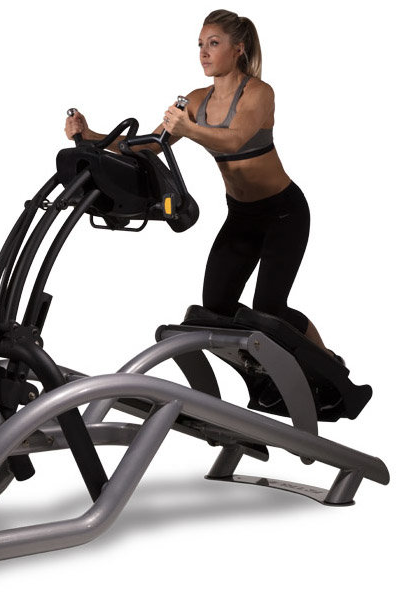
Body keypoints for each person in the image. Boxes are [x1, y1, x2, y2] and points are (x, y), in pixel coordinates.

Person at [65, 9, 338, 359]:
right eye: (200, 45)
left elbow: (234, 139)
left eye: (214, 43)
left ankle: (329, 364)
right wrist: (90, 134)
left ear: (238, 48)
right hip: (241, 215)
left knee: (271, 308)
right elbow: (149, 146)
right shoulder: (196, 100)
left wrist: (188, 128)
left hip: (283, 213)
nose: (204, 53)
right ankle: (264, 371)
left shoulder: (258, 93)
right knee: (215, 307)